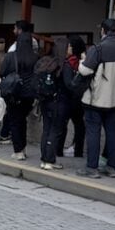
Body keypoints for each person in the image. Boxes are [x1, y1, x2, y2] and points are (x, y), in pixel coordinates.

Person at [76, 18, 115, 178]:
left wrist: (81, 61)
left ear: (104, 31)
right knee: (113, 132)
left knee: (93, 132)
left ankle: (92, 168)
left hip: (96, 98)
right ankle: (111, 167)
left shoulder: (98, 49)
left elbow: (85, 71)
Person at [0, 28, 38, 160]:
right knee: (23, 120)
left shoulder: (11, 56)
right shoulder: (36, 57)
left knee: (15, 121)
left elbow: (2, 72)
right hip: (29, 94)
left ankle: (18, 151)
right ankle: (23, 147)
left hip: (13, 93)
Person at [37, 37, 69, 170]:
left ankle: (44, 159)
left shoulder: (47, 62)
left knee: (46, 129)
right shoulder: (63, 66)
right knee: (55, 131)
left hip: (45, 101)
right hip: (59, 102)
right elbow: (69, 85)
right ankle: (50, 160)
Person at [57, 35, 87, 159]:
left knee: (62, 125)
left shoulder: (69, 63)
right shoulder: (84, 62)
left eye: (69, 46)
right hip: (80, 99)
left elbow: (68, 83)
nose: (67, 48)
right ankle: (78, 151)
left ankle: (58, 150)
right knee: (79, 125)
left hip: (67, 99)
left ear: (73, 48)